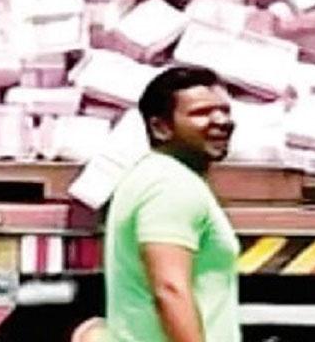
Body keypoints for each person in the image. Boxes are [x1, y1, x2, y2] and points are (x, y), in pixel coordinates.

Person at [103, 65, 240, 342]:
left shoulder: (153, 175)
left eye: (225, 111)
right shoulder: (170, 185)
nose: (221, 120)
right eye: (201, 113)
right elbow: (169, 288)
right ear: (160, 127)